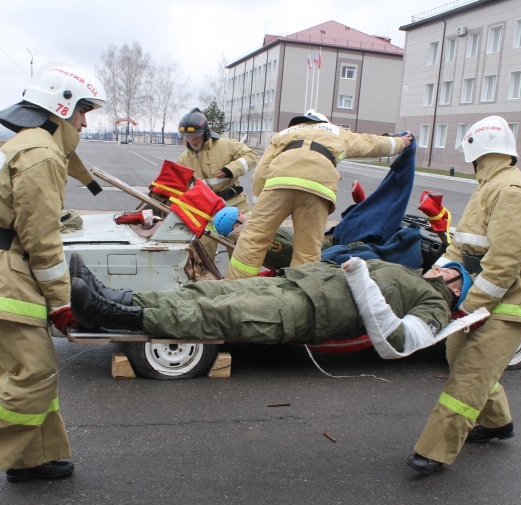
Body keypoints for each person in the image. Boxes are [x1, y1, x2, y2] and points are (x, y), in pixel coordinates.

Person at [0, 60, 108, 493]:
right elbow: (42, 238)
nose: (86, 121)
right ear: (63, 107)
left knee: (24, 371)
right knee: (36, 373)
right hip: (3, 278)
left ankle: (32, 459)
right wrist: (61, 300)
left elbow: (34, 209)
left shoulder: (26, 144)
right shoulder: (41, 154)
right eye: (84, 110)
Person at [406, 115, 521, 475]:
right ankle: (498, 424)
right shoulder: (490, 186)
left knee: (471, 375)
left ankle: (434, 451)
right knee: (460, 356)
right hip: (491, 293)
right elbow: (462, 246)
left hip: (512, 300)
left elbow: (505, 262)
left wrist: (470, 306)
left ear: (476, 151)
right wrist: (434, 277)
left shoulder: (511, 192)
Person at [67, 252, 481, 360]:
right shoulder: (411, 271)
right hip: (298, 285)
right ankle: (113, 297)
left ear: (453, 284)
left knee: (218, 315)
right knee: (206, 293)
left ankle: (112, 315)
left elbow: (399, 340)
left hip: (309, 314)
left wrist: (359, 280)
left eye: (449, 271)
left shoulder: (434, 304)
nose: (439, 269)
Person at [226, 110, 412, 279]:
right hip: (318, 186)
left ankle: (234, 289)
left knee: (254, 239)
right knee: (307, 250)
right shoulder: (336, 132)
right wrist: (400, 143)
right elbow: (370, 144)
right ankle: (298, 298)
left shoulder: (283, 134)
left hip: (278, 183)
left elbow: (261, 171)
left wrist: (260, 204)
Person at [176, 107, 259, 258]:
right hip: (207, 211)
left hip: (236, 206)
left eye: (195, 136)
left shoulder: (226, 145)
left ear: (205, 133)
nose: (192, 141)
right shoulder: (184, 159)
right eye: (187, 137)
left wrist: (231, 169)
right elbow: (176, 188)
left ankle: (239, 281)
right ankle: (204, 281)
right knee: (202, 255)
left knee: (241, 254)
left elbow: (251, 156)